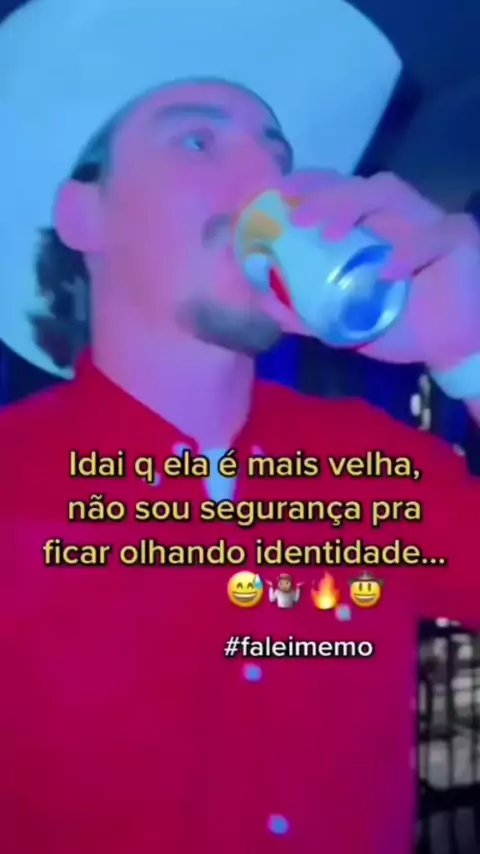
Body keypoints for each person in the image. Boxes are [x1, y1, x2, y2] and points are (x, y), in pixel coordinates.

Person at [0, 1, 479, 853]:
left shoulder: (378, 466)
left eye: (278, 155)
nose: (268, 181)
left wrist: (470, 352)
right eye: (198, 141)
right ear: (85, 215)